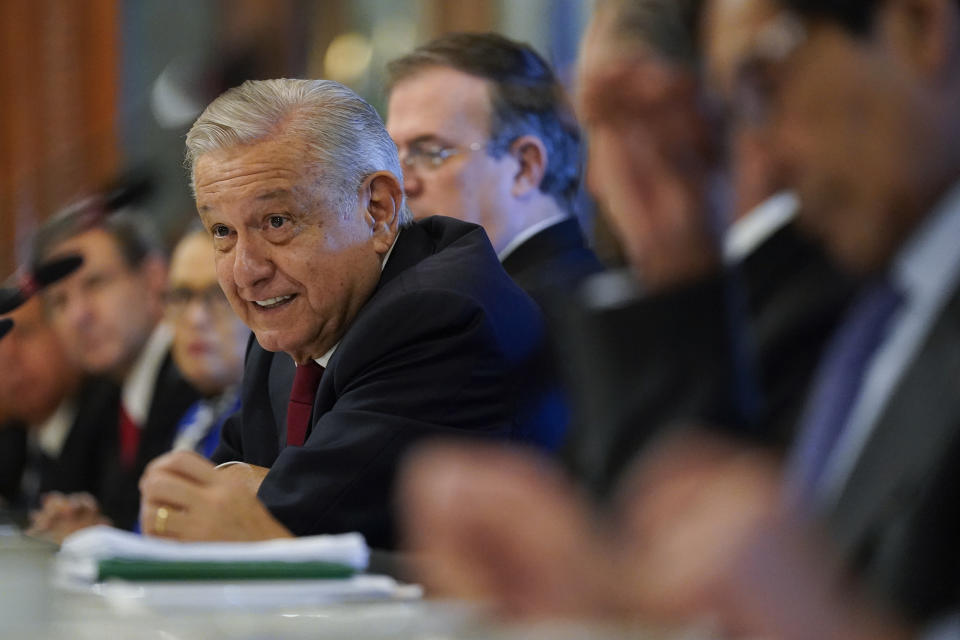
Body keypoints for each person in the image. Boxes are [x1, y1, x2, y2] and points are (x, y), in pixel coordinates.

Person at [400, 0, 960, 636]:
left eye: (768, 78)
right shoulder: (891, 293)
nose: (760, 147)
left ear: (920, 24)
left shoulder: (856, 281)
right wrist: (601, 590)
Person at [138, 78, 558, 549]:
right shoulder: (289, 326)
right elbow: (202, 506)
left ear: (377, 210)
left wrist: (236, 498)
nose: (246, 271)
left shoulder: (442, 315)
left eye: (276, 222)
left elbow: (293, 525)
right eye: (222, 230)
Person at [385, 33, 603, 296]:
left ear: (524, 167)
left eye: (431, 152)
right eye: (392, 153)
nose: (401, 184)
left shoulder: (524, 316)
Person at [27, 209, 200, 535]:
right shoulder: (102, 398)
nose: (79, 315)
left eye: (95, 284)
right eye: (60, 301)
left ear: (154, 279)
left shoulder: (195, 375)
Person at [165, 227, 248, 458]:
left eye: (219, 294)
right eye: (182, 296)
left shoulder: (277, 420)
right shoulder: (192, 420)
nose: (196, 318)